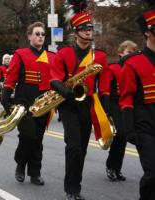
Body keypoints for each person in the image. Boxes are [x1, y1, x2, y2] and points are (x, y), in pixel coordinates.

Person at [49, 2, 110, 199]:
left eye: (91, 29)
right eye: (85, 29)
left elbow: (105, 86)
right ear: (76, 33)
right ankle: (71, 189)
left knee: (81, 149)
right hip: (68, 104)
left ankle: (76, 185)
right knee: (74, 146)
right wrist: (67, 93)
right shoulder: (64, 53)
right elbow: (54, 79)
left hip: (88, 105)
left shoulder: (99, 56)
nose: (89, 32)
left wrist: (107, 110)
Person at [1, 21, 56, 186]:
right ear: (29, 36)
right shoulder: (20, 54)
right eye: (37, 34)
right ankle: (20, 164)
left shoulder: (52, 57)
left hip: (44, 104)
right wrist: (6, 98)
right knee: (28, 135)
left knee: (38, 139)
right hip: (23, 104)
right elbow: (10, 79)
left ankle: (35, 173)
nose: (40, 37)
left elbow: (56, 80)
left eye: (42, 34)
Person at [119, 2, 155, 199]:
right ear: (148, 33)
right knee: (152, 173)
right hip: (145, 127)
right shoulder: (133, 63)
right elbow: (126, 99)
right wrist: (129, 129)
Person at [105, 40, 138, 182]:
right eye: (128, 52)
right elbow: (106, 90)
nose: (131, 55)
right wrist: (107, 112)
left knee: (124, 138)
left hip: (128, 106)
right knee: (121, 134)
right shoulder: (112, 68)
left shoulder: (134, 68)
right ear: (120, 53)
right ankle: (111, 166)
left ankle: (116, 169)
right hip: (115, 105)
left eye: (133, 52)